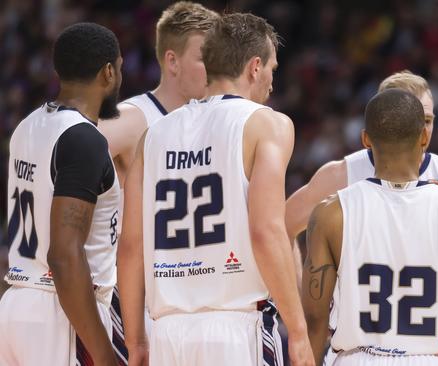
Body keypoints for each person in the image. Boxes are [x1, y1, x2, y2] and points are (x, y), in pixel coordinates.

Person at [118, 13, 314, 366]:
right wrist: (298, 333)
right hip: (236, 327)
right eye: (272, 67)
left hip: (168, 332)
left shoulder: (154, 135)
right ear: (255, 67)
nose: (272, 80)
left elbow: (131, 247)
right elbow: (266, 231)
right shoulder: (266, 123)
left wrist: (135, 341)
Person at [302, 89, 438, 366]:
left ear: (365, 139)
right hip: (436, 359)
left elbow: (314, 321)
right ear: (424, 138)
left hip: (358, 358)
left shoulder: (331, 214)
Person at [285, 70, 438, 300]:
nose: (422, 129)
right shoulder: (340, 175)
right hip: (355, 330)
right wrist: (299, 310)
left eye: (428, 120)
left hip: (426, 328)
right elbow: (283, 226)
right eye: (410, 118)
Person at [97, 3, 219, 362]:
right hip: (141, 305)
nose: (214, 69)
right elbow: (68, 152)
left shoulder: (211, 122)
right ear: (172, 61)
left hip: (194, 304)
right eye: (204, 58)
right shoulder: (136, 117)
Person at [0, 23, 122, 365]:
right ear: (108, 72)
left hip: (16, 303)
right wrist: (103, 354)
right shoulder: (83, 138)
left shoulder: (27, 125)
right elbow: (65, 255)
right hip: (60, 310)